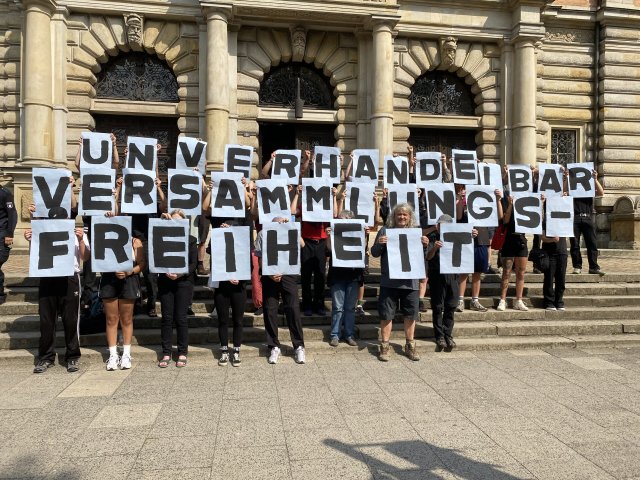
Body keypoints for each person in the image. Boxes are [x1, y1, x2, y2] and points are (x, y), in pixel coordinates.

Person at [27, 207, 89, 373]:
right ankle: (46, 357)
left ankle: (72, 356)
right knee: (46, 321)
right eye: (53, 220)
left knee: (71, 320)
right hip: (48, 278)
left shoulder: (76, 234)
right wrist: (31, 240)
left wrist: (82, 239)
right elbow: (35, 257)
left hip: (69, 278)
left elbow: (86, 257)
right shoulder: (43, 233)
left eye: (61, 220)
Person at [371, 203, 429, 362]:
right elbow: (374, 253)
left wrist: (425, 245)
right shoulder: (385, 230)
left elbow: (422, 257)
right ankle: (385, 345)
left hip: (410, 283)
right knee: (386, 315)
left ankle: (410, 345)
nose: (402, 217)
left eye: (405, 215)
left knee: (411, 315)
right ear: (393, 216)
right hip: (389, 281)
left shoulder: (416, 233)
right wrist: (379, 244)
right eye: (399, 214)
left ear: (410, 217)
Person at [254, 217, 306, 365]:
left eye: (280, 222)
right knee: (270, 310)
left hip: (288, 273)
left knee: (293, 309)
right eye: (276, 222)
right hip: (270, 275)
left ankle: (299, 345)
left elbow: (302, 244)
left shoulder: (290, 231)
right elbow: (259, 258)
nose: (278, 224)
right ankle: (273, 346)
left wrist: (290, 226)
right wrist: (268, 273)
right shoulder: (263, 233)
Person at [99, 213, 146, 371]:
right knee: (111, 318)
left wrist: (129, 272)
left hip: (129, 280)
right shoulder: (103, 238)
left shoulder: (135, 241)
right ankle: (113, 354)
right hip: (108, 280)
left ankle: (126, 353)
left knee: (126, 318)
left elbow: (142, 264)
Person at [157, 210, 197, 368]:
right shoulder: (161, 238)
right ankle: (166, 352)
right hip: (165, 281)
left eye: (179, 221)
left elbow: (193, 264)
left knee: (180, 317)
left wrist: (180, 273)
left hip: (184, 282)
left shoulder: (191, 240)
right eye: (172, 221)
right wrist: (161, 221)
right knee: (166, 318)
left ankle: (182, 352)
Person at [455, 185, 503, 313]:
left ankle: (474, 300)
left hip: (481, 241)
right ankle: (460, 300)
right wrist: (460, 198)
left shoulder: (485, 206)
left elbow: (500, 216)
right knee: (464, 272)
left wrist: (498, 199)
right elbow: (458, 217)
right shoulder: (463, 203)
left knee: (477, 273)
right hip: (466, 241)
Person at [325, 210, 365, 347]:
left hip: (353, 275)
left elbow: (363, 250)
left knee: (349, 307)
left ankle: (349, 334)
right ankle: (335, 335)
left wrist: (364, 234)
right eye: (341, 218)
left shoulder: (357, 232)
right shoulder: (334, 233)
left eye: (347, 218)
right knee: (338, 307)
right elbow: (329, 250)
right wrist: (328, 236)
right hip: (337, 275)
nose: (344, 220)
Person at [214, 221, 247, 367]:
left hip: (239, 288)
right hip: (222, 286)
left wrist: (240, 278)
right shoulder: (219, 239)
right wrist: (220, 233)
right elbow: (211, 251)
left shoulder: (244, 242)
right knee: (223, 320)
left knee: (238, 320)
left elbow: (249, 264)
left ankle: (237, 350)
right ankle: (224, 350)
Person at [426, 214, 459, 350]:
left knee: (451, 306)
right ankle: (439, 336)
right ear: (437, 226)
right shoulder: (432, 237)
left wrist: (472, 235)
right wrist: (434, 248)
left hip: (453, 275)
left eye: (446, 225)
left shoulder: (457, 236)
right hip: (437, 275)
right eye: (441, 225)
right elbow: (428, 257)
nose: (443, 227)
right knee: (438, 306)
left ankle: (448, 334)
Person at [497, 195, 529, 311]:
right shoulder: (507, 201)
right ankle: (502, 299)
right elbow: (505, 220)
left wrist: (540, 202)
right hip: (509, 239)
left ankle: (519, 300)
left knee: (521, 272)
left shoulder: (527, 203)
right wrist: (511, 204)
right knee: (506, 271)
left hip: (521, 240)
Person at [570, 169, 605, 276]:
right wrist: (567, 177)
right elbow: (563, 191)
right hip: (575, 218)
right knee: (574, 244)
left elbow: (601, 193)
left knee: (592, 243)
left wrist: (595, 179)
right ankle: (577, 266)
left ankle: (593, 267)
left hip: (588, 217)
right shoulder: (572, 188)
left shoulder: (588, 188)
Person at [0, 183, 17, 305]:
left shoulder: (5, 193)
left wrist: (9, 234)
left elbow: (12, 214)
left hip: (1, 233)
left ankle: (0, 295)